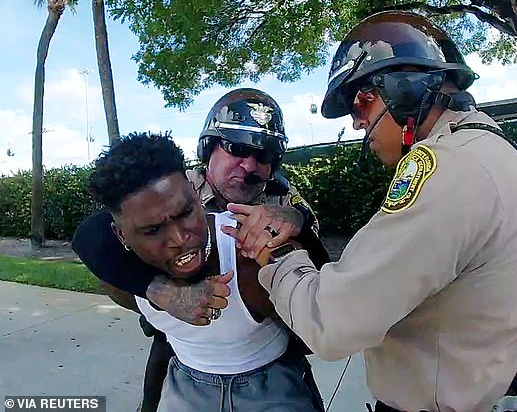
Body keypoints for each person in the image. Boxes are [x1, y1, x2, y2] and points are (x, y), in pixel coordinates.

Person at [226, 11, 517, 412]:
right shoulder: (487, 145)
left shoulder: (447, 171)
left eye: (361, 105)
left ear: (402, 90)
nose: (359, 123)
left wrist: (275, 254)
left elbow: (331, 320)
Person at [72, 89, 327, 411]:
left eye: (263, 155)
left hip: (264, 353)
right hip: (183, 349)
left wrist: (295, 220)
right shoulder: (170, 183)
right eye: (236, 148)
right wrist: (158, 290)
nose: (249, 166)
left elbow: (316, 280)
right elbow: (93, 234)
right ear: (209, 149)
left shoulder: (283, 200)